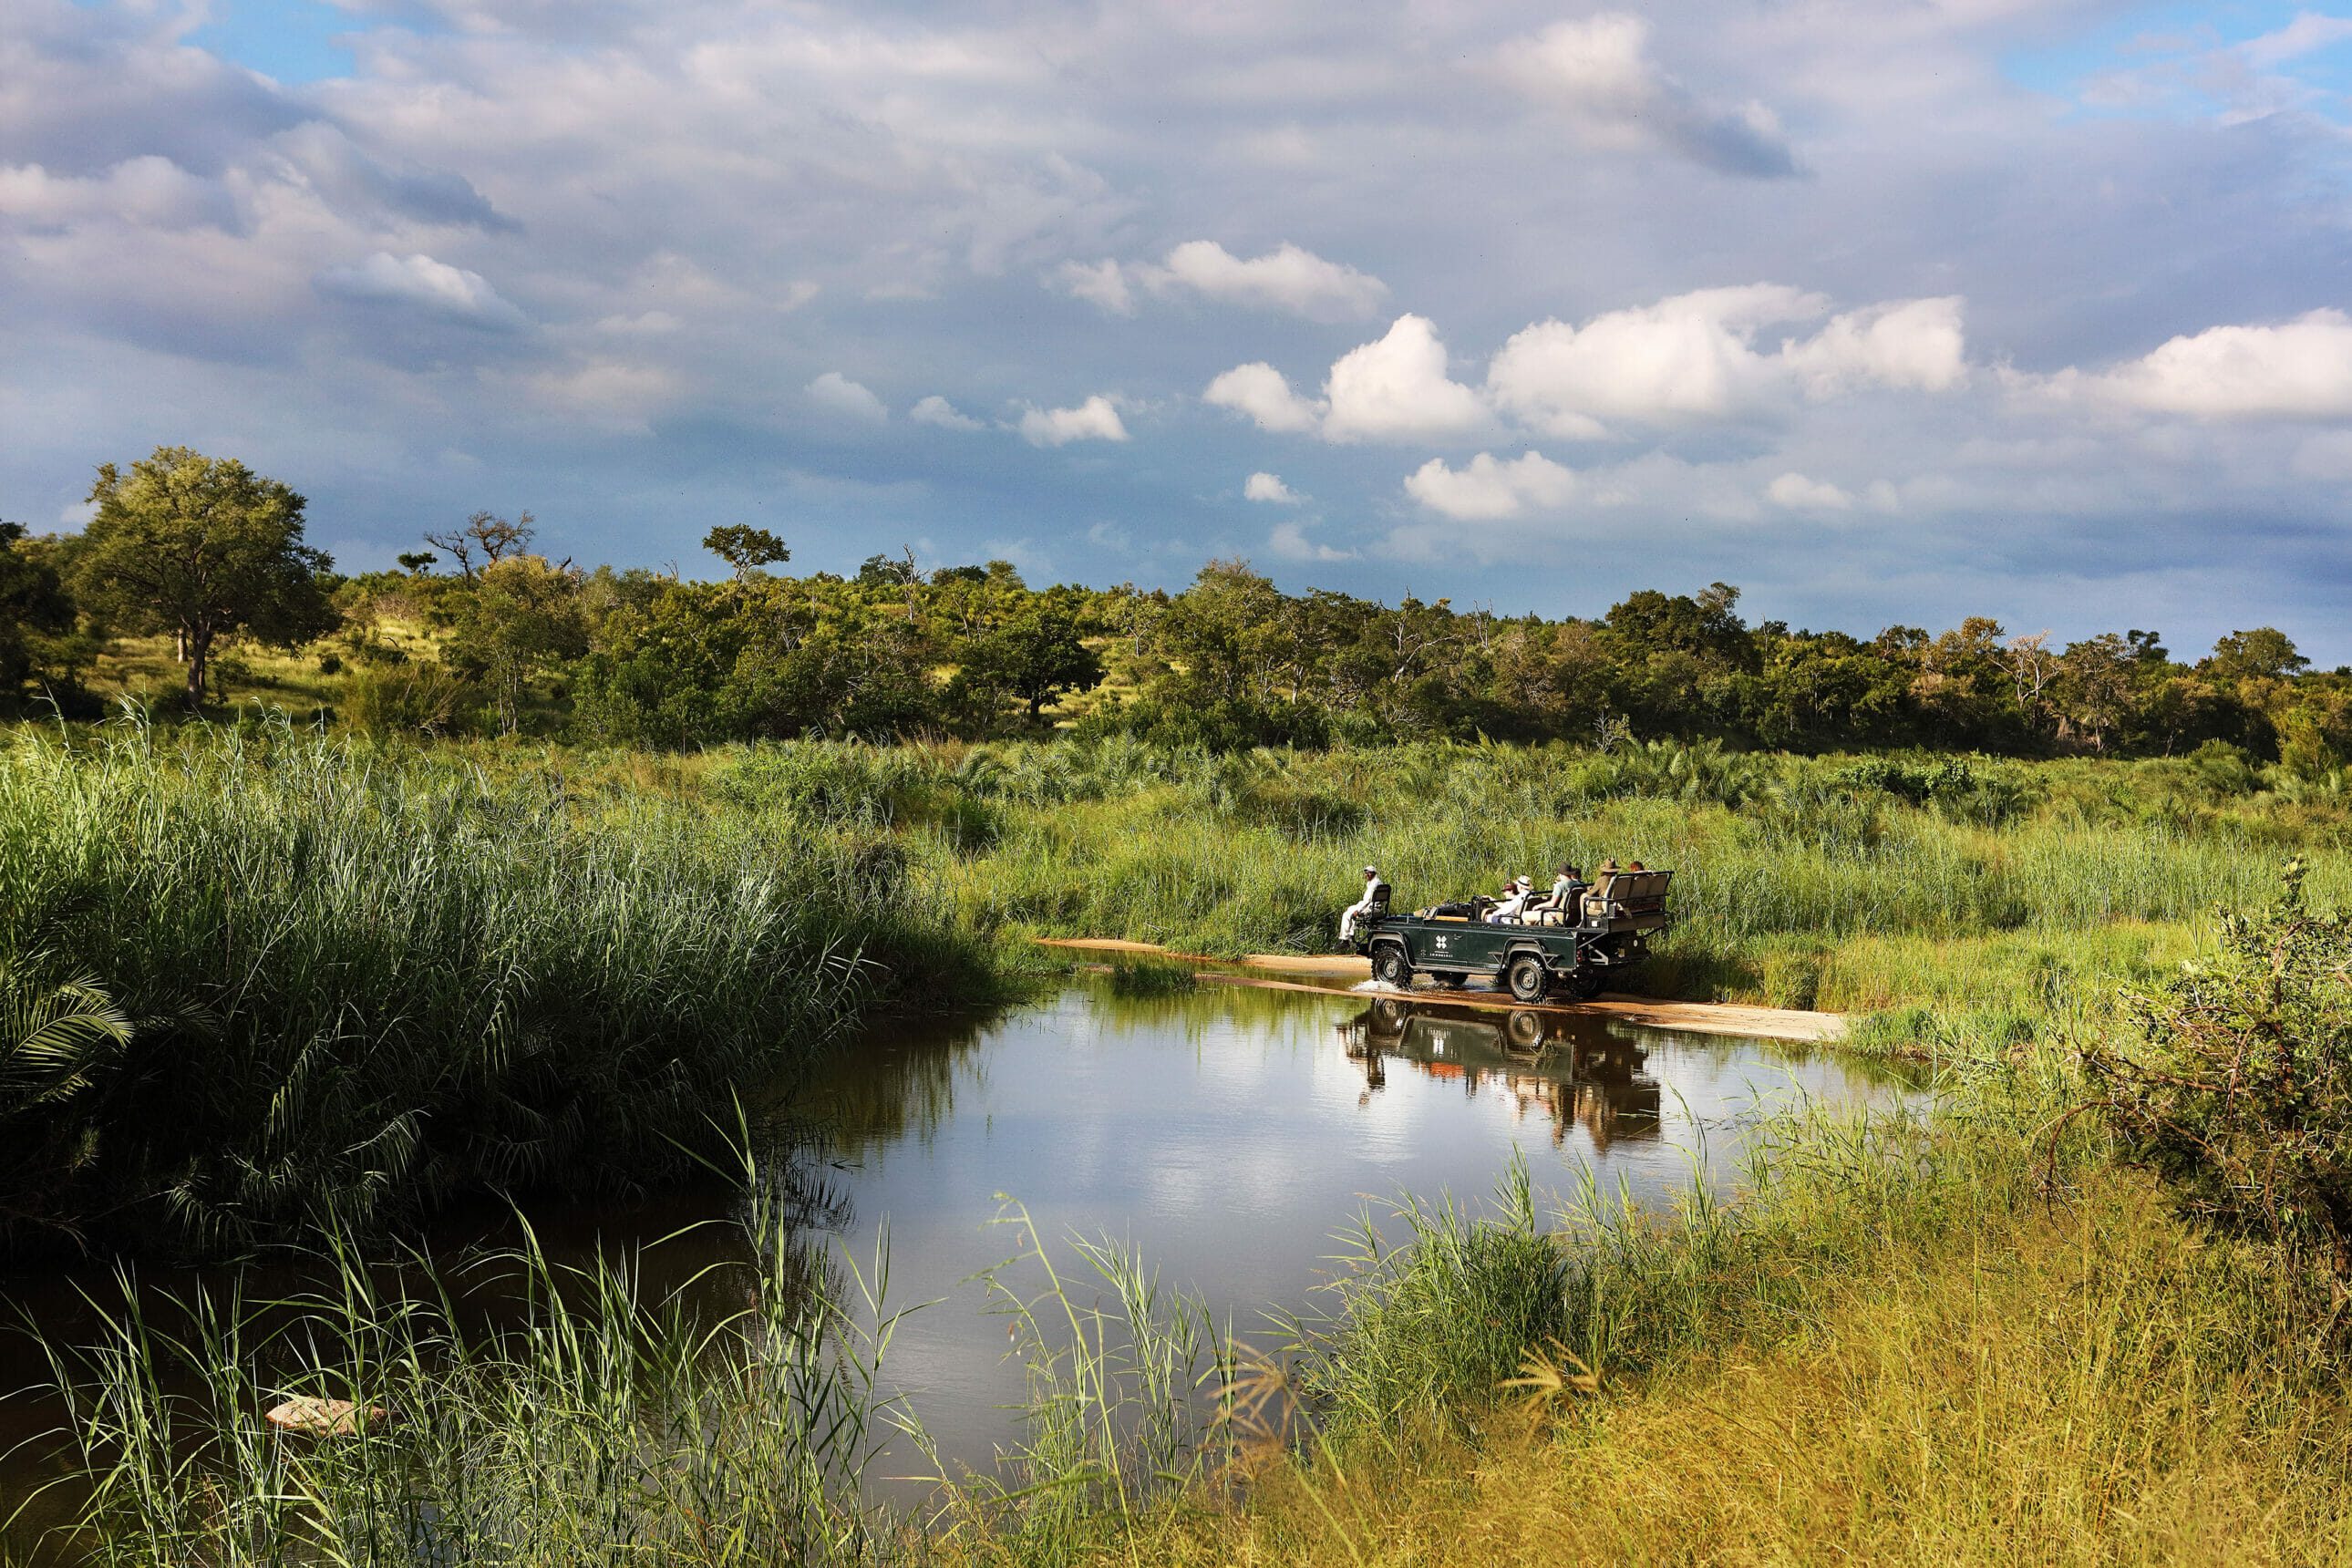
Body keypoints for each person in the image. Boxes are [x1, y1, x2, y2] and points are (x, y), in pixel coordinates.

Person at [1339, 866, 1385, 944]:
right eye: (1366, 873)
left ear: (1373, 873)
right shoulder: (1378, 882)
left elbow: (1367, 901)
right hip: (1376, 907)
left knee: (1346, 914)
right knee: (1350, 909)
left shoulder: (1374, 885)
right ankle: (1351, 933)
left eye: (1368, 873)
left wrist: (1358, 910)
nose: (1366, 875)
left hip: (1371, 908)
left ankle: (1345, 939)